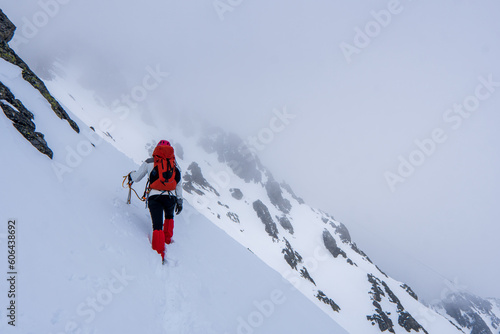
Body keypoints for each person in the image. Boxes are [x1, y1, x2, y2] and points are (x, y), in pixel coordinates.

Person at [127, 140, 183, 263]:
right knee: (169, 217)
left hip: (154, 196)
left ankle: (159, 253)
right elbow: (178, 184)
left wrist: (131, 175)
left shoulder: (150, 162)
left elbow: (137, 177)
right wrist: (179, 201)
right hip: (171, 197)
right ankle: (167, 241)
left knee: (157, 225)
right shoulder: (174, 164)